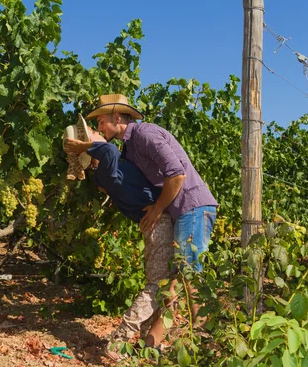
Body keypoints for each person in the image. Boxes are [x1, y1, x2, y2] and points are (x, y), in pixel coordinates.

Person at [78, 94, 218, 324]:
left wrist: (156, 209)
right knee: (173, 279)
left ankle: (206, 335)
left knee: (189, 273)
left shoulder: (145, 134)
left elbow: (177, 174)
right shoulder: (129, 148)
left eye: (101, 122)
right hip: (180, 212)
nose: (99, 128)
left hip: (192, 207)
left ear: (116, 117)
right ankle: (160, 340)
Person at [63, 118, 174, 361]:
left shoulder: (105, 173)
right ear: (89, 144)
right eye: (94, 131)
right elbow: (110, 149)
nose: (101, 132)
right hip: (159, 223)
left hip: (153, 224)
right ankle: (119, 341)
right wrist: (85, 147)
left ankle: (148, 342)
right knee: (156, 286)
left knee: (160, 284)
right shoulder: (106, 166)